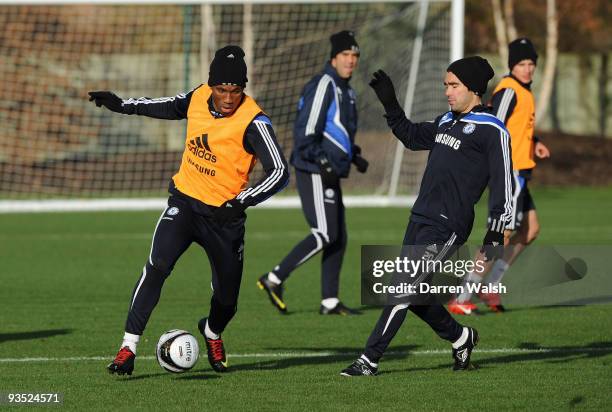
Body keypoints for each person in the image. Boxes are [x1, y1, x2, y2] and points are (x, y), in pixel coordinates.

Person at [88, 45, 289, 376]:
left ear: (244, 89)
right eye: (221, 89)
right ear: (211, 85)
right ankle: (127, 348)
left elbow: (280, 172)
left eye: (235, 90)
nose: (227, 97)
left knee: (227, 301)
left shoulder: (255, 122)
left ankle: (212, 332)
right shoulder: (198, 98)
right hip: (184, 203)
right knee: (157, 266)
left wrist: (240, 201)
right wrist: (123, 105)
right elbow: (168, 106)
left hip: (225, 219)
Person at [340, 56, 514, 376]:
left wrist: (496, 229)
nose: (447, 91)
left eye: (453, 85)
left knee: (401, 288)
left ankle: (369, 359)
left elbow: (504, 181)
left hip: (449, 225)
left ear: (474, 88)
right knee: (416, 295)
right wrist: (391, 103)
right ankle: (461, 337)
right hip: (420, 217)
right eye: (445, 85)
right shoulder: (445, 121)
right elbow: (409, 135)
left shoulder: (492, 129)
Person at [257, 30, 368, 315]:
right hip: (313, 168)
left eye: (355, 55)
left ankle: (329, 301)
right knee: (324, 232)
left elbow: (336, 133)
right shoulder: (324, 84)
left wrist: (353, 156)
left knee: (338, 236)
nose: (351, 60)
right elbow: (306, 132)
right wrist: (323, 161)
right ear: (333, 57)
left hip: (329, 169)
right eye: (345, 55)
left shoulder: (347, 90)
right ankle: (274, 278)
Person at [449, 38, 551, 315]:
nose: (528, 69)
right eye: (522, 64)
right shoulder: (509, 90)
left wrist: (535, 140)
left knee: (530, 230)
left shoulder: (523, 90)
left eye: (531, 64)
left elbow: (517, 129)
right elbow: (494, 125)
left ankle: (489, 285)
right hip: (511, 172)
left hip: (522, 171)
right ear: (511, 65)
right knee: (501, 234)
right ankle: (463, 295)